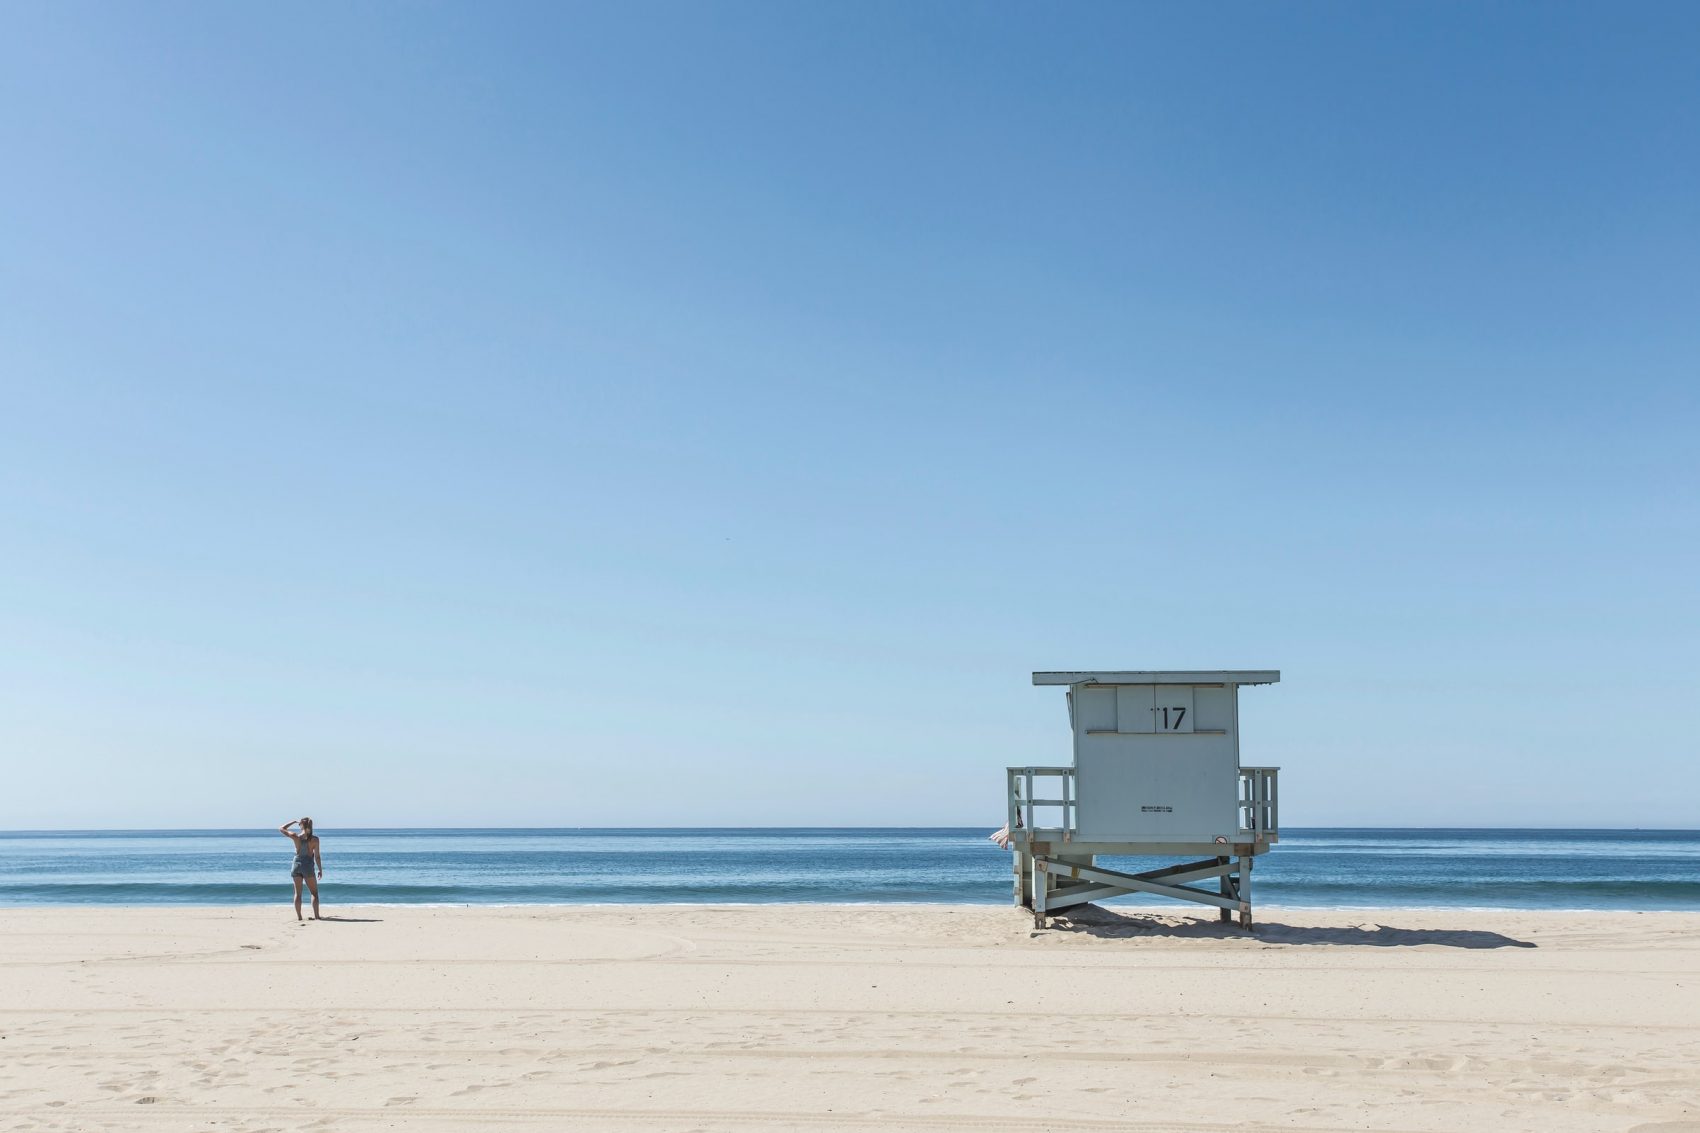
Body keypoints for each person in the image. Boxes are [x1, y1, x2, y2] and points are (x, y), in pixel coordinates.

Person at [279, 817, 323, 921]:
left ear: (301, 825)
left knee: (297, 894)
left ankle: (299, 917)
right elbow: (317, 856)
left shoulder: (296, 837)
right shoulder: (315, 840)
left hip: (296, 864)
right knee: (314, 893)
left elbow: (281, 828)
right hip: (307, 865)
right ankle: (317, 917)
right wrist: (320, 869)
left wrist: (293, 822)